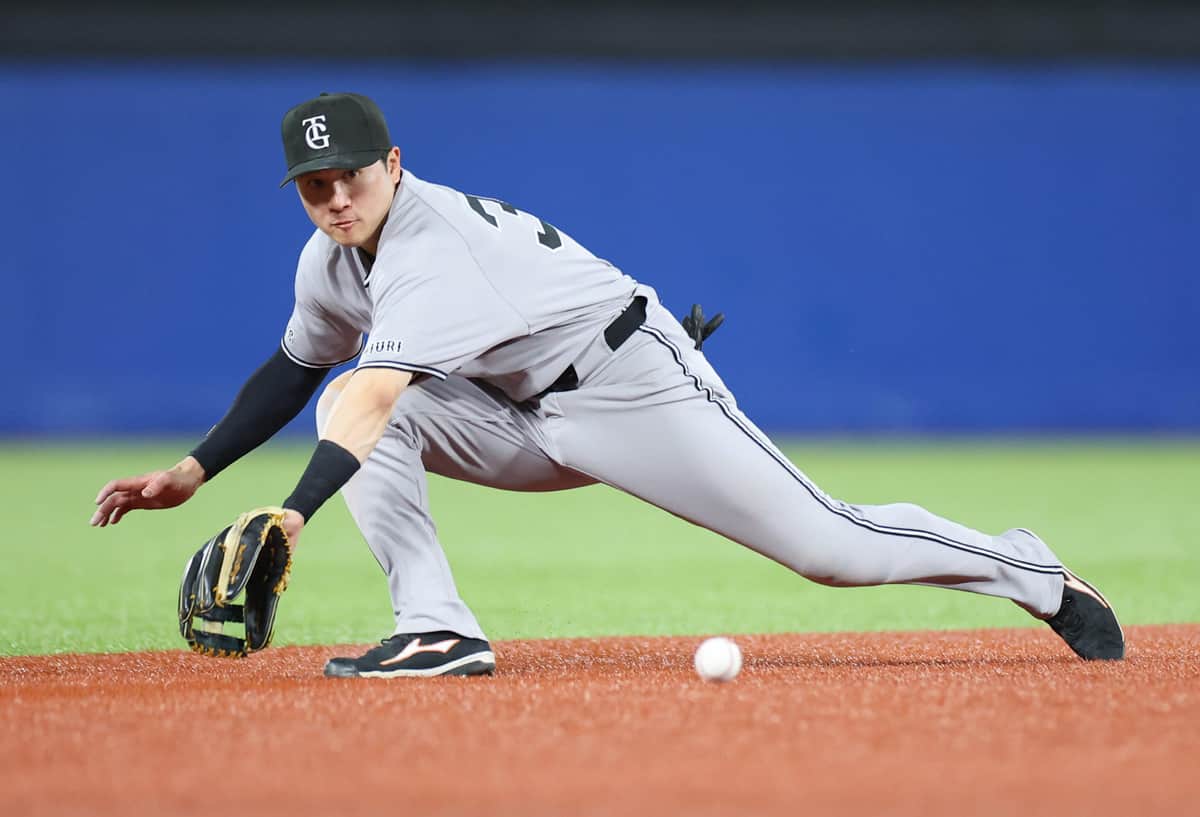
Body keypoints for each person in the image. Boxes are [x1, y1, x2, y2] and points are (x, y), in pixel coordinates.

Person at [90, 92, 1124, 678]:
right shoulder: (331, 258)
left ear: (393, 165)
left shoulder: (432, 245)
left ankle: (1030, 571)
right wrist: (193, 467)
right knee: (353, 397)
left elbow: (370, 396)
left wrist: (293, 512)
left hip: (629, 383)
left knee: (831, 547)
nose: (331, 198)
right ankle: (438, 627)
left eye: (348, 176)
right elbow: (302, 365)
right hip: (517, 412)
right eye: (312, 186)